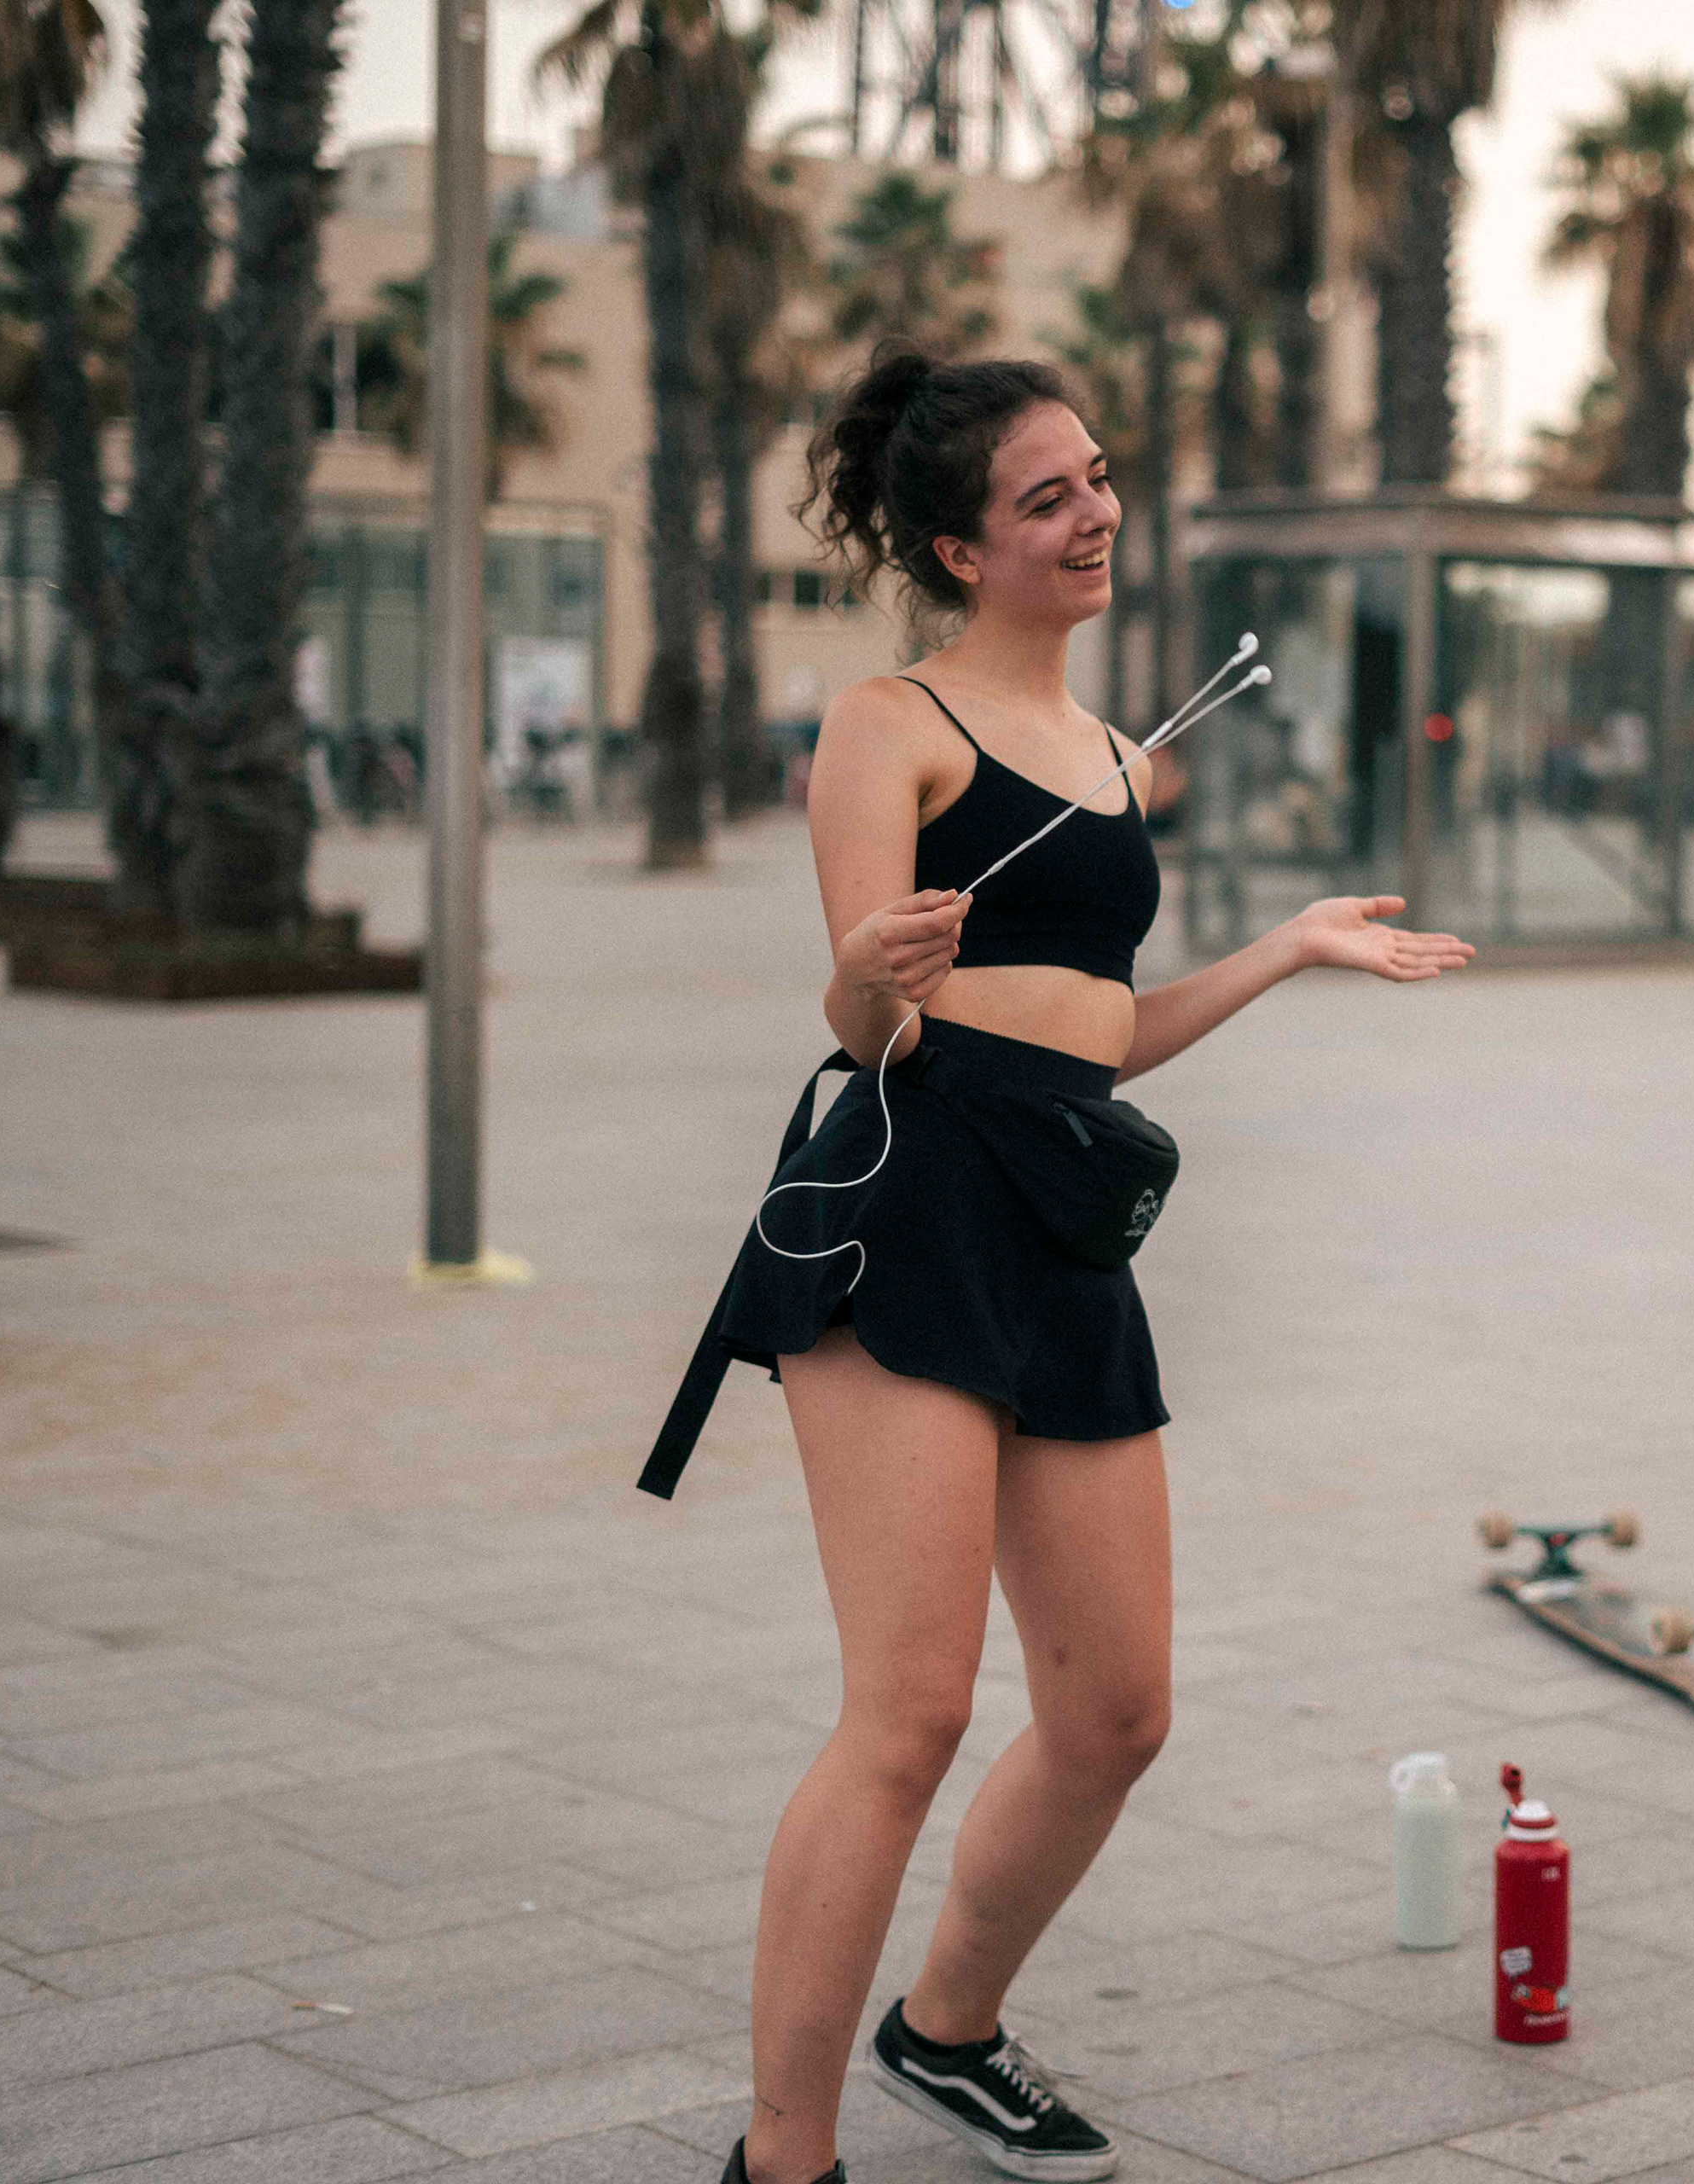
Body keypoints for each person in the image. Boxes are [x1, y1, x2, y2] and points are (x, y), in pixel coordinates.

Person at [651, 352, 1472, 2184]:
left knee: (1115, 1704)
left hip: (1070, 1206)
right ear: (960, 543)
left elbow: (1101, 1030)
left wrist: (1284, 949)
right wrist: (875, 958)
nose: (1094, 513)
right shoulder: (891, 719)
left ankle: (946, 2029)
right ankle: (782, 2156)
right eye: (1047, 497)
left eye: (1096, 478)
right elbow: (865, 1015)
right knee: (916, 1705)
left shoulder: (1115, 757)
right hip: (910, 1194)